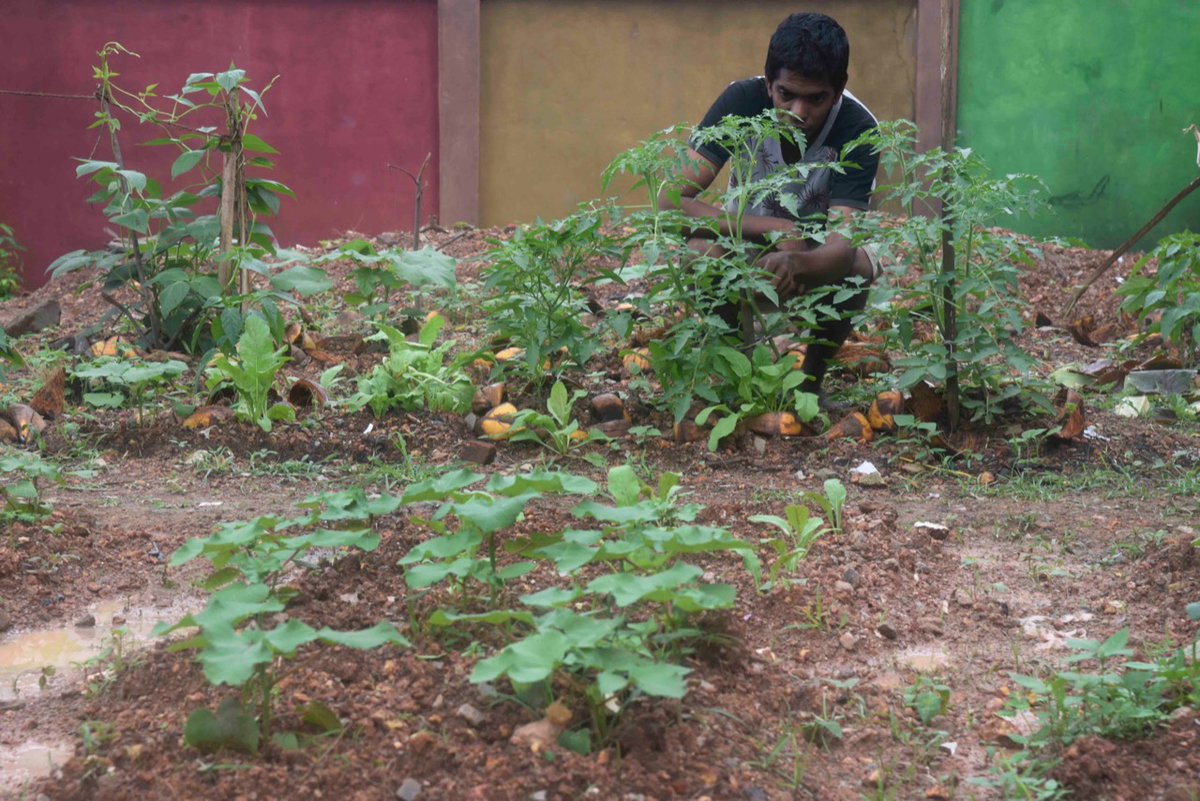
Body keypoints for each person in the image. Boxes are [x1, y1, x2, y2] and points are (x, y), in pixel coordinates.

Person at [660, 11, 880, 403]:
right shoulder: (741, 101)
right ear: (768, 83)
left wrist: (798, 261)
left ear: (839, 89)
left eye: (816, 98)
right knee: (700, 253)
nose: (798, 112)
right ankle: (738, 378)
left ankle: (810, 386)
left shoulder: (858, 129)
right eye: (786, 95)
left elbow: (843, 246)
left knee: (861, 267)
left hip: (816, 257)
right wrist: (777, 230)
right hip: (744, 242)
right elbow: (671, 202)